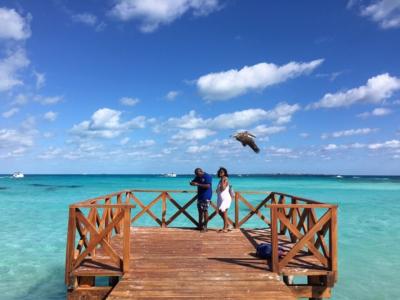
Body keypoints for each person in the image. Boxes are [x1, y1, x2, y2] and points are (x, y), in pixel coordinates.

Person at [190, 168, 212, 232]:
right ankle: (200, 226)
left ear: (201, 171)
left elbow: (208, 186)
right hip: (200, 196)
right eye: (195, 174)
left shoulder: (207, 176)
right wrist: (191, 183)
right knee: (200, 212)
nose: (196, 175)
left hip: (206, 196)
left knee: (205, 211)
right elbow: (193, 182)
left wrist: (197, 184)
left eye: (197, 173)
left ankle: (205, 227)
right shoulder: (198, 176)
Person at [216, 167, 232, 232]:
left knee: (224, 212)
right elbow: (219, 190)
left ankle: (225, 228)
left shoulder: (225, 179)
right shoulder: (221, 180)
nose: (220, 173)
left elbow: (223, 188)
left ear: (225, 173)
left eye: (222, 172)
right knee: (220, 212)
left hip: (225, 198)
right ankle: (229, 225)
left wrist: (222, 180)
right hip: (220, 198)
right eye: (220, 172)